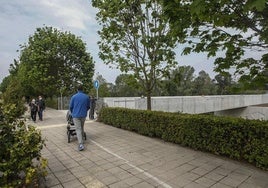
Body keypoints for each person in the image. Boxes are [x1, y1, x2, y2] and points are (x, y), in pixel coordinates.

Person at [69, 85, 90, 151]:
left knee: (78, 129)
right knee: (82, 127)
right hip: (83, 115)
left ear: (77, 89)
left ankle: (81, 144)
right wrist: (84, 111)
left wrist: (73, 113)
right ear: (82, 89)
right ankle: (82, 139)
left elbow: (70, 107)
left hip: (76, 115)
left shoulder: (74, 97)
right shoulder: (86, 97)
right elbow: (88, 106)